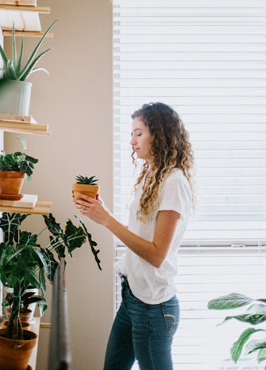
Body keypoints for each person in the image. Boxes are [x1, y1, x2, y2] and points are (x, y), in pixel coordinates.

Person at [73, 102, 194, 370]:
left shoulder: (174, 182)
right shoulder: (149, 176)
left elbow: (156, 255)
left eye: (138, 134)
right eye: (132, 134)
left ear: (160, 136)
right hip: (133, 297)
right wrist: (102, 211)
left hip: (153, 307)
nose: (132, 141)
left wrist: (106, 220)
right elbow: (139, 232)